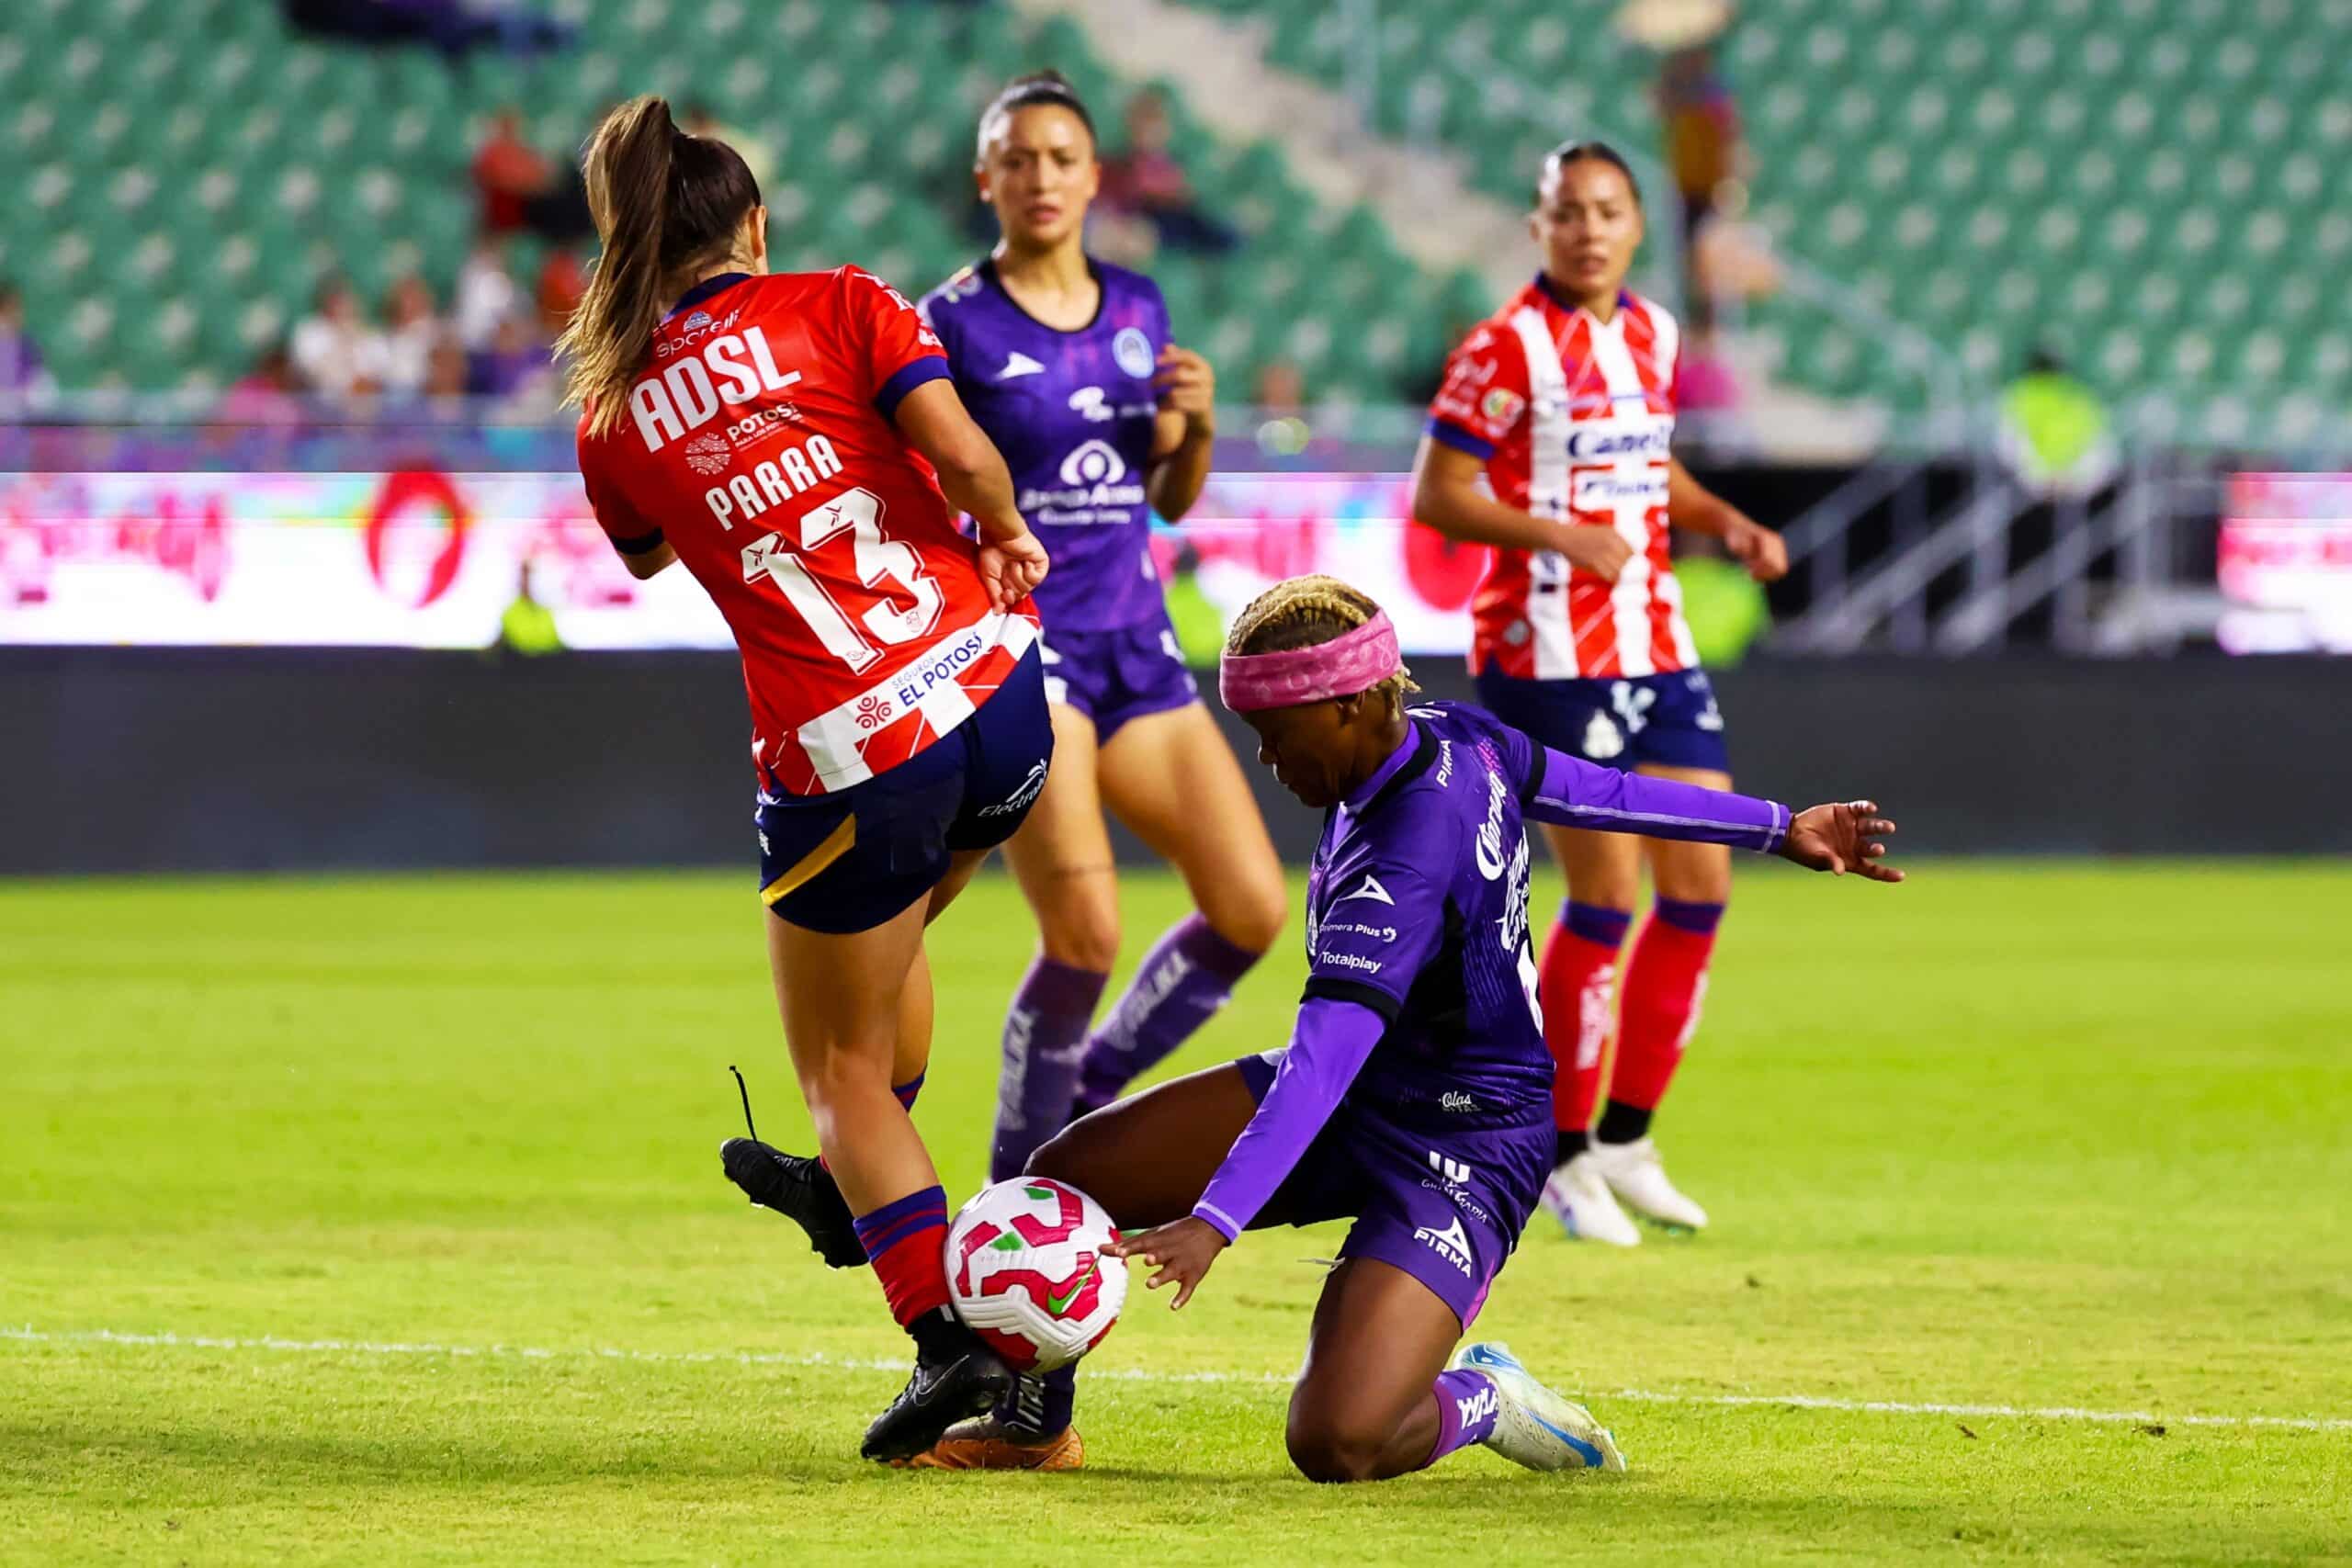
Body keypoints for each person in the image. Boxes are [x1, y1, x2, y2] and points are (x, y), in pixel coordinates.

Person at [974, 574, 1899, 1481]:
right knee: (1065, 1177)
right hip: (1365, 1092)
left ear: (1344, 707)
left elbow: (1322, 1064)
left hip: (1469, 1139)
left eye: (1274, 734)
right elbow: (1601, 795)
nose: (1266, 761)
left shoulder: (1402, 853)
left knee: (1339, 1442)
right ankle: (1031, 1428)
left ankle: (1488, 1398)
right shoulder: (1455, 736)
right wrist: (1779, 826)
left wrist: (1215, 1220)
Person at [563, 95, 1055, 1463]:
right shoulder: (844, 299)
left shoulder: (610, 411)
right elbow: (960, 456)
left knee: (839, 1062)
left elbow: (654, 553)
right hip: (998, 702)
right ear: (754, 224)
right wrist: (1004, 532)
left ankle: (944, 1329)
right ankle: (858, 1192)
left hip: (849, 754)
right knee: (883, 966)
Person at [1409, 141, 1792, 1247]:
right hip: (1546, 649)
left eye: (1607, 211)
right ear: (1538, 229)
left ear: (1633, 228)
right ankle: (1564, 1151)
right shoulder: (1503, 346)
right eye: (1566, 212)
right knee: (1606, 896)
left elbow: (1646, 462)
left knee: (1701, 886)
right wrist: (1554, 533)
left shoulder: (1653, 332)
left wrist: (1720, 520)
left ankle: (1626, 1135)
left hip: (1655, 635)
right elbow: (1439, 493)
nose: (1586, 229)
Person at [916, 73, 1287, 1184]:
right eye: (1017, 158)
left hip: (1138, 647)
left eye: (1061, 158)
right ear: (985, 179)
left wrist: (1201, 424)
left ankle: (1077, 1093)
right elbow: (930, 486)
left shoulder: (1138, 307)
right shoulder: (949, 323)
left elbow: (1169, 496)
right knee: (1083, 939)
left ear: (1093, 177)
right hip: (1033, 654)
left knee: (1252, 909)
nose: (1040, 177)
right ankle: (1015, 1195)